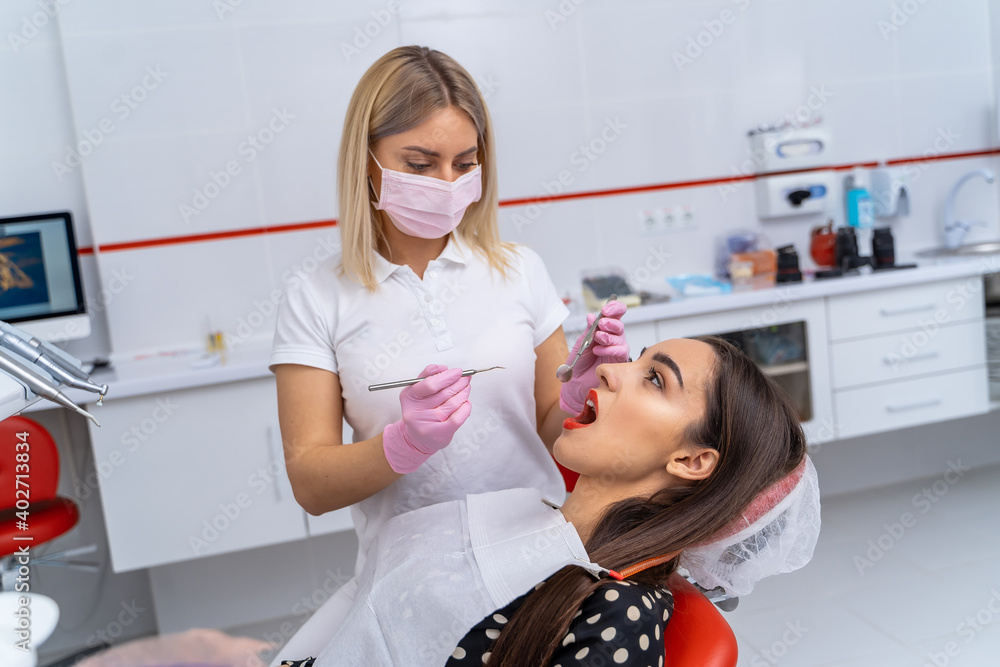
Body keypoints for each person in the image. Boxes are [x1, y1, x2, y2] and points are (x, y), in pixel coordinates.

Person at [268, 45, 629, 663]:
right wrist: (401, 446)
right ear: (368, 161)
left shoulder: (518, 270)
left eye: (465, 163)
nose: (447, 184)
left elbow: (550, 428)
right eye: (420, 162)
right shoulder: (316, 297)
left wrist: (577, 397)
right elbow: (310, 483)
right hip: (408, 581)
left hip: (539, 560)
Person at [278, 337, 822, 666]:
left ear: (692, 461)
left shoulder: (618, 614)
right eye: (637, 359)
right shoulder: (518, 510)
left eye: (654, 379)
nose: (610, 368)